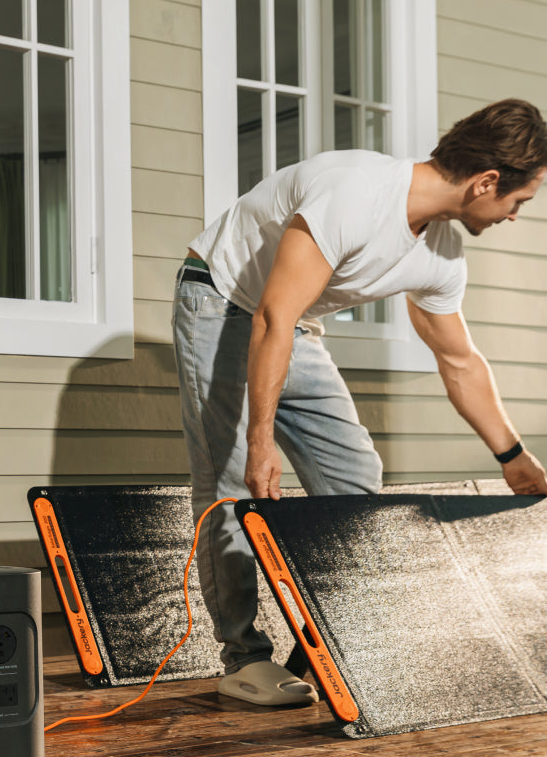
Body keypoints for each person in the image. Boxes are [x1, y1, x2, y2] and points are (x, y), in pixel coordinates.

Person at [172, 98, 547, 707]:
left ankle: (324, 644)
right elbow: (272, 314)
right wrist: (262, 443)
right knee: (232, 479)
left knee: (353, 476)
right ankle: (244, 660)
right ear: (486, 182)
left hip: (292, 324)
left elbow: (458, 360)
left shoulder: (442, 252)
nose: (513, 216)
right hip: (223, 300)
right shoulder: (357, 192)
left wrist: (513, 456)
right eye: (518, 202)